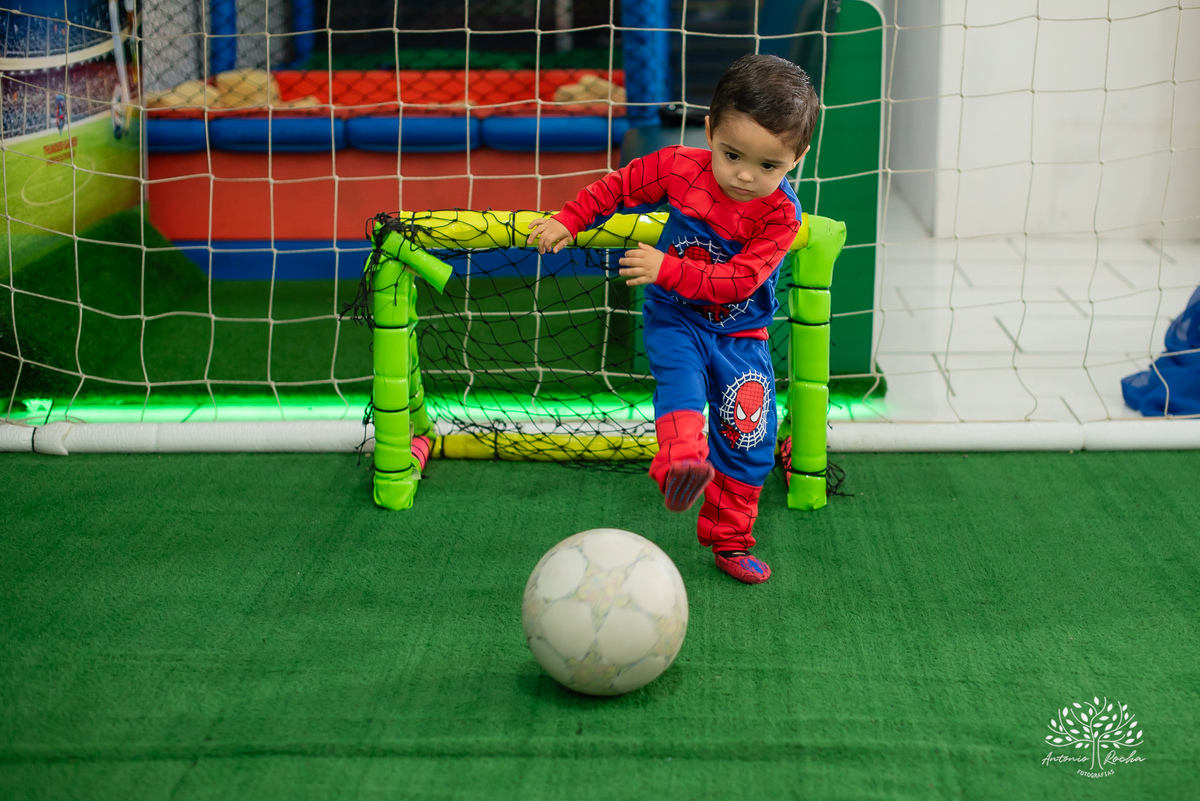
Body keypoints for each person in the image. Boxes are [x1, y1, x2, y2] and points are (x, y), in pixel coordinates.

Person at [527, 54, 820, 585]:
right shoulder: (678, 167)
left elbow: (738, 282)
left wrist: (666, 266)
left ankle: (730, 542)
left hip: (740, 335)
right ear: (708, 131)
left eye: (768, 166)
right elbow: (617, 188)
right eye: (732, 155)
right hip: (677, 318)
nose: (745, 176)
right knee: (681, 390)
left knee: (751, 442)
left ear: (797, 157)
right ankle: (679, 465)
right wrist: (569, 219)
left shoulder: (781, 215)